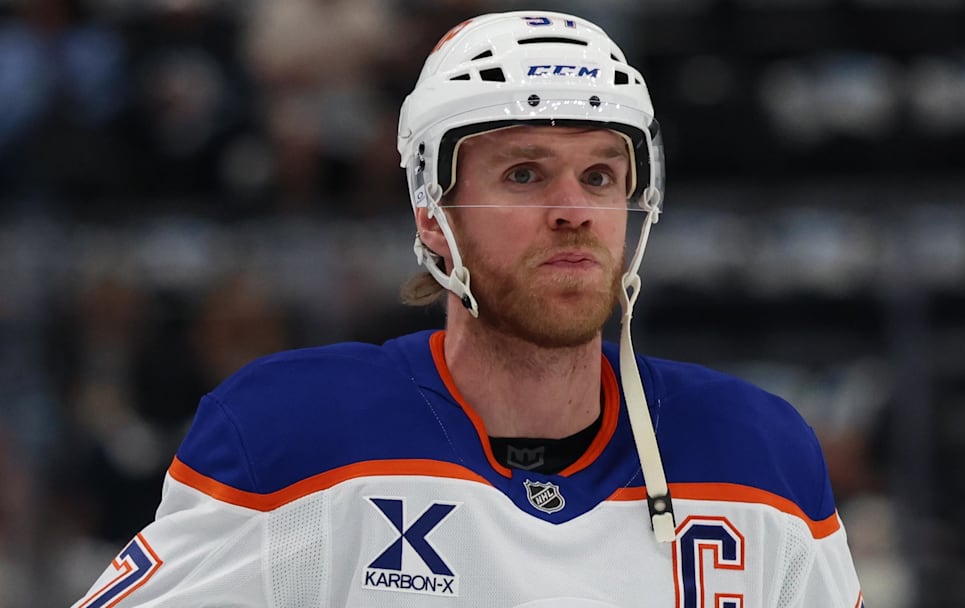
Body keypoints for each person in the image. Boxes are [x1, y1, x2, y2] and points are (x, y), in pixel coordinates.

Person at [71, 11, 863, 607]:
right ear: (430, 213)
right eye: (524, 173)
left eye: (599, 175)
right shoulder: (295, 435)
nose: (573, 210)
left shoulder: (758, 455)